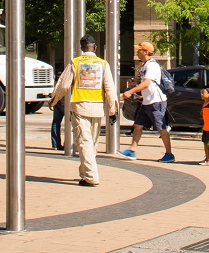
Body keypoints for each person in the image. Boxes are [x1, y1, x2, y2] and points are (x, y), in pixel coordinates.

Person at [48, 33, 119, 185]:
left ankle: (91, 176)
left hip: (80, 107)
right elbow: (110, 88)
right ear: (95, 48)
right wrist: (113, 110)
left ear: (81, 48)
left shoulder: (76, 63)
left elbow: (64, 84)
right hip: (97, 108)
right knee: (92, 142)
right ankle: (85, 173)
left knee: (84, 142)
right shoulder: (103, 64)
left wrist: (54, 99)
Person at [119, 41, 175, 162]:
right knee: (138, 125)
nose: (137, 52)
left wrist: (131, 91)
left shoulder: (152, 65)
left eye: (139, 50)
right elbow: (146, 84)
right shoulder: (145, 65)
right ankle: (132, 151)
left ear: (145, 52)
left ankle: (169, 154)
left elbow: (146, 83)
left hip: (156, 102)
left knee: (161, 127)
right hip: (147, 101)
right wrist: (136, 85)